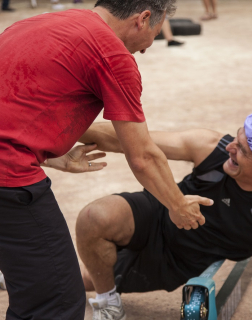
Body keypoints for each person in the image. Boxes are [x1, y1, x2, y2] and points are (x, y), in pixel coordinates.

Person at [0, 0, 213, 319]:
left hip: (12, 161)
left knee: (32, 280)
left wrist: (43, 153)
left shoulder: (38, 23)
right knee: (54, 303)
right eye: (155, 33)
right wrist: (177, 205)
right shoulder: (113, 54)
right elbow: (142, 156)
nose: (146, 49)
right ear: (143, 19)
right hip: (8, 177)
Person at [76, 109, 252, 319]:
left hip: (175, 260)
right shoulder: (210, 146)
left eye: (243, 151)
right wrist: (59, 126)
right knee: (94, 216)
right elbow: (129, 141)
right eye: (237, 136)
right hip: (158, 211)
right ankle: (109, 305)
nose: (231, 148)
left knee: (75, 282)